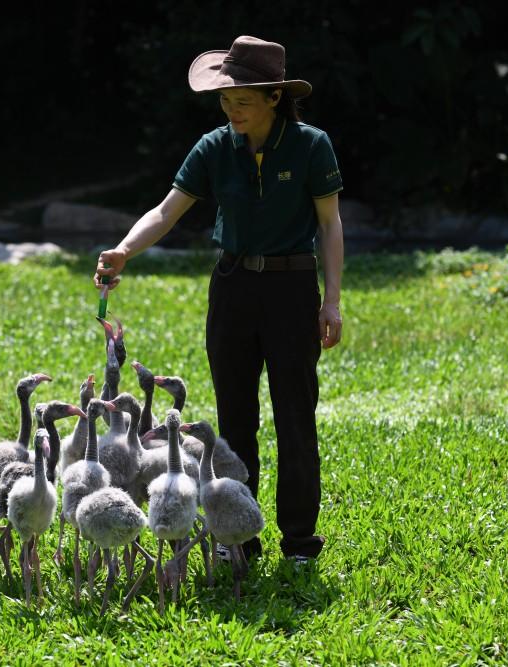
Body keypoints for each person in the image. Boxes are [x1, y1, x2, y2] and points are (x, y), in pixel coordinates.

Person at [94, 35, 343, 563]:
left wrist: (332, 302)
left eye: (242, 101)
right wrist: (123, 250)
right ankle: (239, 538)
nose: (231, 110)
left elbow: (330, 224)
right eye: (225, 101)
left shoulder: (311, 146)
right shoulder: (212, 147)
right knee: (234, 421)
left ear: (274, 97)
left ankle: (299, 541)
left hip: (292, 286)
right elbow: (166, 211)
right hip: (232, 287)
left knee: (296, 416)